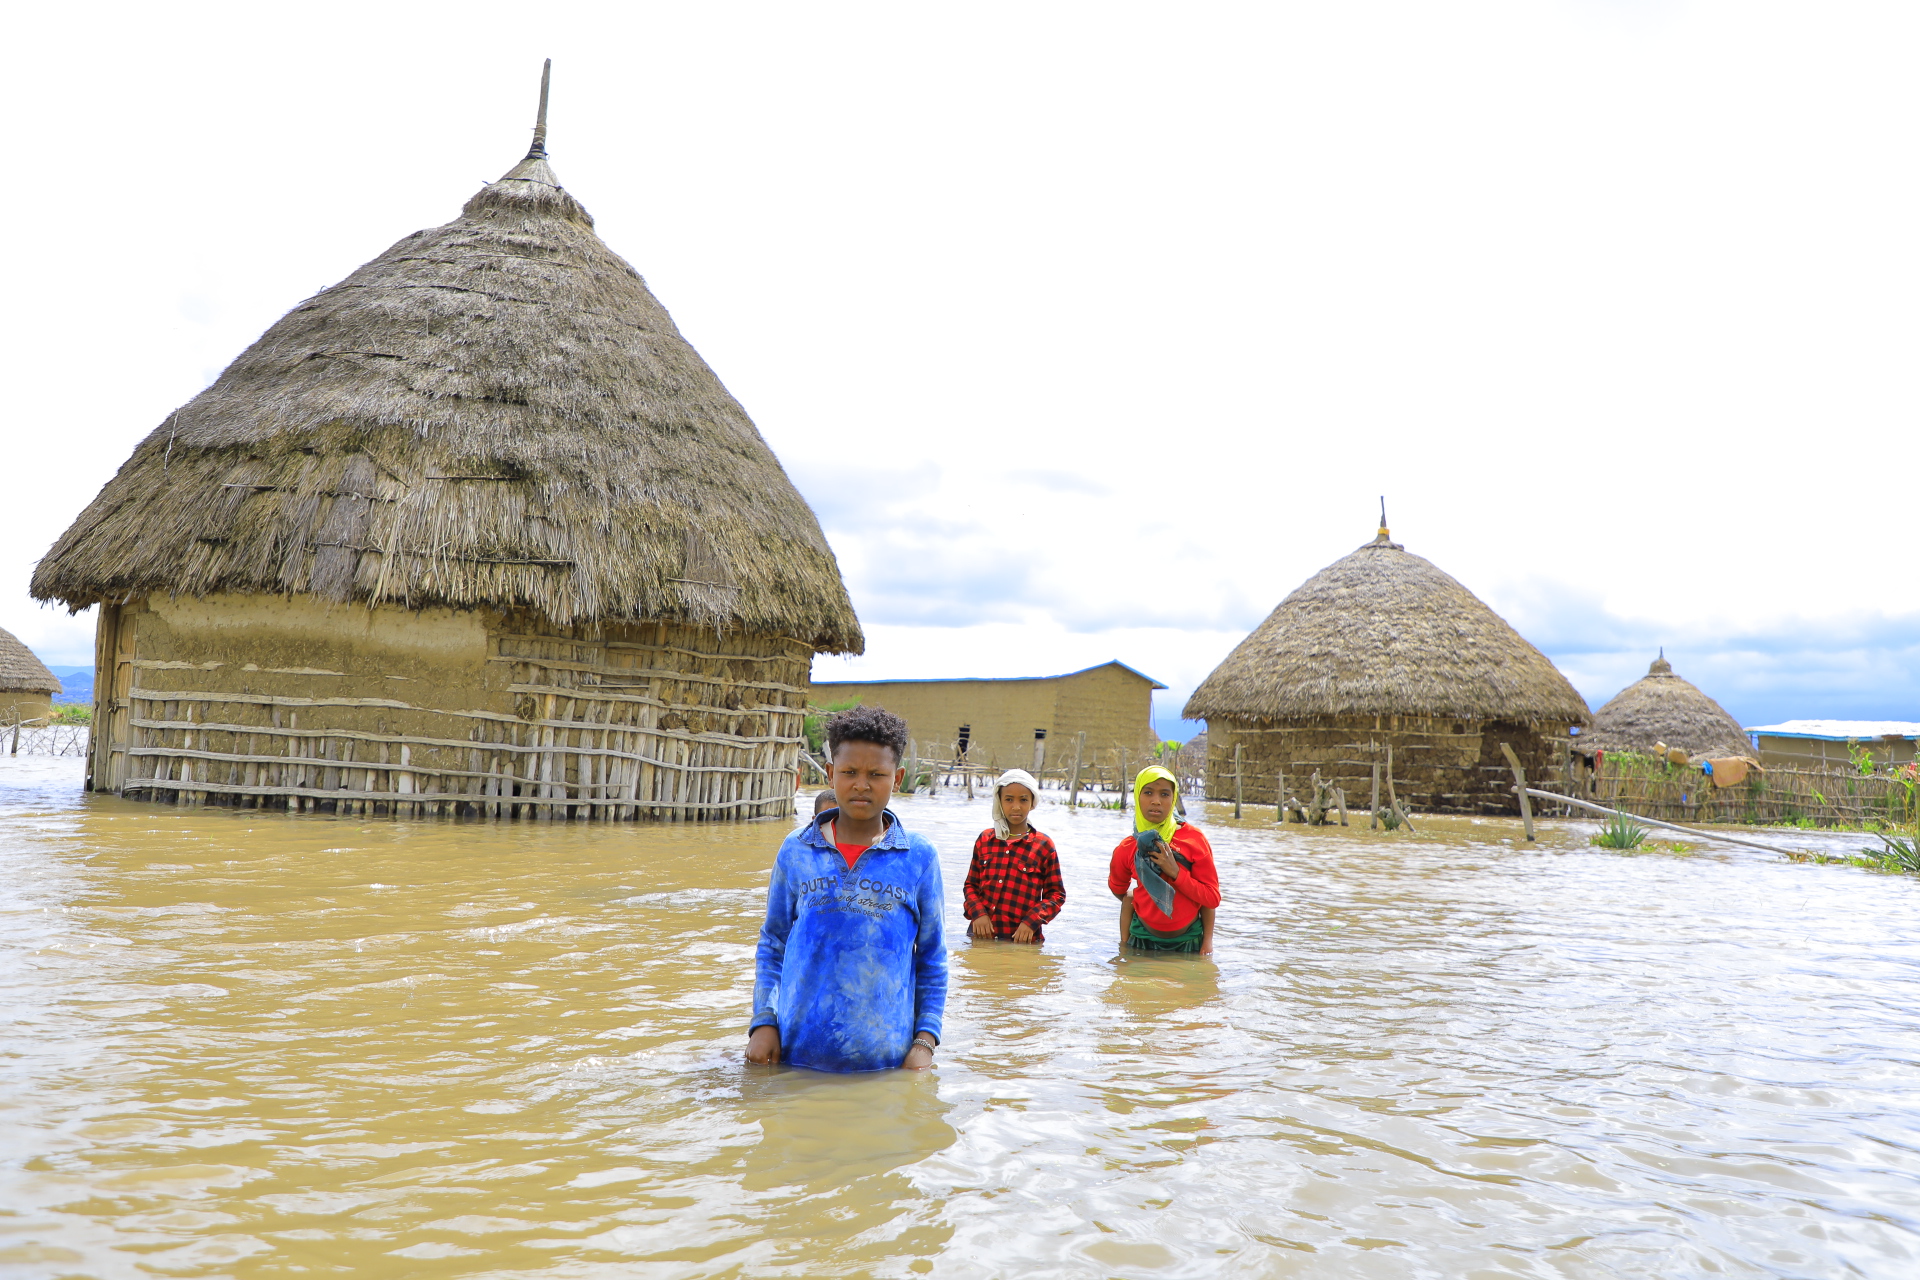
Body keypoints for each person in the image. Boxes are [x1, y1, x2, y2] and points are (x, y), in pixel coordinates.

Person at [748, 706, 947, 1071]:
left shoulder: (918, 857)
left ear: (897, 777)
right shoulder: (797, 850)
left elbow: (932, 957)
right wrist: (763, 1022)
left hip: (884, 1062)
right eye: (850, 772)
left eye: (877, 774)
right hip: (796, 1054)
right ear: (830, 773)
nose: (861, 784)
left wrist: (925, 1042)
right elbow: (773, 943)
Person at [1109, 765, 1219, 954]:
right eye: (1148, 792)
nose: (1156, 801)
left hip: (1189, 941)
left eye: (1165, 794)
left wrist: (1175, 873)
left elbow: (1211, 897)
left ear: (1174, 798)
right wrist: (1146, 901)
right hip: (1142, 939)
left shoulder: (1193, 840)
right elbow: (1118, 888)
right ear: (1137, 796)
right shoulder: (1128, 847)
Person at [963, 769, 1065, 944]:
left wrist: (1031, 922)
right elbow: (971, 885)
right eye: (1009, 799)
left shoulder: (1043, 845)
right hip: (982, 938)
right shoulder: (985, 840)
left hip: (1023, 941)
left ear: (1032, 802)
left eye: (1023, 800)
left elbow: (1056, 895)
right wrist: (978, 913)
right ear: (1000, 802)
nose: (1016, 806)